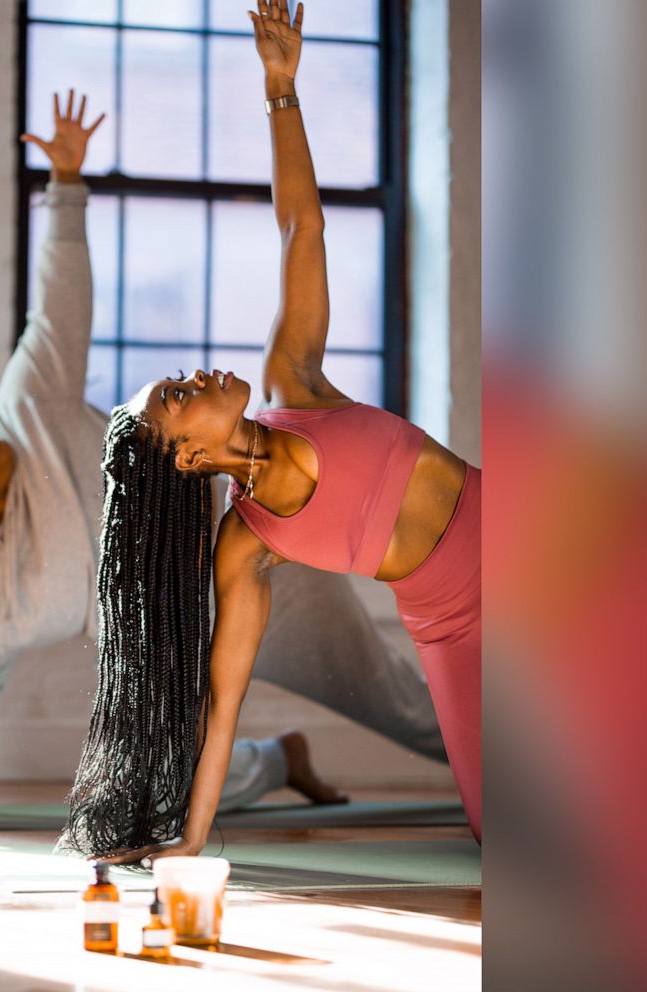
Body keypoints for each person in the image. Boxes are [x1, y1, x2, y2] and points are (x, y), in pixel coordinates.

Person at [0, 88, 445, 817]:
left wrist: (65, 183)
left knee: (405, 708)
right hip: (167, 647)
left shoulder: (26, 407)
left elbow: (57, 305)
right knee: (168, 785)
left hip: (254, 545)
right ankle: (280, 759)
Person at [61, 0, 479, 860]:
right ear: (186, 456)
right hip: (451, 627)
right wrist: (189, 841)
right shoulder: (246, 545)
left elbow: (303, 226)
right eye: (180, 392)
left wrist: (279, 88)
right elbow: (224, 705)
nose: (200, 371)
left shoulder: (296, 379)